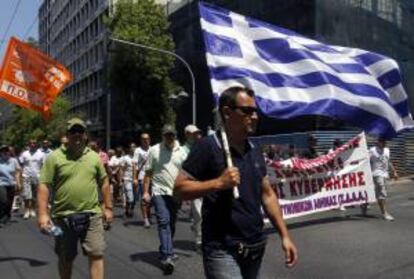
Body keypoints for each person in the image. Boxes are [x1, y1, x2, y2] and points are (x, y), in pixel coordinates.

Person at [174, 86, 298, 279]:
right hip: (222, 249)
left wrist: (285, 235)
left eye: (255, 111)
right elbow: (179, 189)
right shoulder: (207, 147)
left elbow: (267, 194)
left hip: (255, 246)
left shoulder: (254, 149)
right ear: (227, 112)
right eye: (247, 111)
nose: (255, 116)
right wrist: (218, 183)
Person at [37, 118, 113, 279]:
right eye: (73, 132)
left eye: (80, 131)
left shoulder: (94, 157)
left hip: (92, 215)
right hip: (63, 218)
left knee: (97, 253)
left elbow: (104, 182)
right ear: (67, 135)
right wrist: (43, 214)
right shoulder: (54, 157)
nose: (77, 135)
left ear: (85, 135)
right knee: (66, 257)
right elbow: (44, 185)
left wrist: (108, 208)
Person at [143, 124, 187, 274]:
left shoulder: (182, 152)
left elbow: (186, 173)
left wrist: (186, 192)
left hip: (176, 193)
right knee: (164, 221)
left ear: (175, 135)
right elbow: (148, 173)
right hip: (159, 191)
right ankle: (167, 256)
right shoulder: (154, 150)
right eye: (167, 135)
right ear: (162, 136)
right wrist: (145, 192)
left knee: (172, 223)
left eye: (172, 135)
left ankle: (166, 248)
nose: (169, 138)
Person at [362, 138, 398, 221]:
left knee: (375, 192)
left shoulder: (387, 150)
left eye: (385, 141)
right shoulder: (372, 150)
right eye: (382, 141)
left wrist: (394, 172)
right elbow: (365, 161)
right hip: (376, 174)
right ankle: (384, 213)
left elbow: (388, 161)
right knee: (382, 192)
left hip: (385, 174)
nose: (384, 142)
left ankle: (364, 204)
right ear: (377, 142)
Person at [182, 124, 203, 251]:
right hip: (193, 185)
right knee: (199, 214)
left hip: (206, 183)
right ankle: (200, 241)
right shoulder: (182, 151)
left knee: (205, 214)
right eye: (193, 134)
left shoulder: (203, 147)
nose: (197, 136)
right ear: (187, 135)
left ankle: (195, 226)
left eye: (198, 133)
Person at [19, 139, 45, 219]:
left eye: (34, 143)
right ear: (28, 144)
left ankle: (33, 209)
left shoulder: (41, 154)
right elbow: (20, 164)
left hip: (37, 177)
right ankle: (27, 211)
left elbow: (44, 166)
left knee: (34, 195)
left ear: (37, 144)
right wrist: (20, 177)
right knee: (27, 195)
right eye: (31, 143)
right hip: (26, 176)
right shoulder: (24, 153)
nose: (32, 144)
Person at [133, 132, 152, 228]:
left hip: (153, 178)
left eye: (147, 138)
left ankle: (148, 214)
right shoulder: (138, 151)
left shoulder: (153, 150)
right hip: (142, 177)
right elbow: (135, 165)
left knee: (152, 199)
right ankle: (145, 219)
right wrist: (135, 178)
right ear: (141, 140)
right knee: (144, 199)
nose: (146, 140)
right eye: (143, 139)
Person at [0, 144, 22, 226]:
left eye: (6, 150)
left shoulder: (14, 160)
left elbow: (18, 171)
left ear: (9, 152)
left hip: (11, 183)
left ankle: (7, 217)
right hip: (1, 183)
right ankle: (1, 218)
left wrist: (18, 182)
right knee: (3, 200)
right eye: (3, 151)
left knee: (9, 202)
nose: (5, 152)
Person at [120, 144, 136, 217]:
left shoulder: (137, 157)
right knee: (130, 196)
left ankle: (130, 209)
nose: (133, 148)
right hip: (127, 179)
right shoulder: (125, 158)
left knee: (135, 197)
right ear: (129, 149)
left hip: (136, 180)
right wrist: (121, 179)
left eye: (134, 147)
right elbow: (122, 169)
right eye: (131, 147)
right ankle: (128, 209)